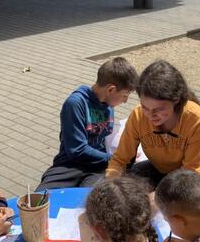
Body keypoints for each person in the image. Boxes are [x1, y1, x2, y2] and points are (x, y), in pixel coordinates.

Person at [106, 60, 200, 188]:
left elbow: (192, 174)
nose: (150, 115)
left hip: (191, 176)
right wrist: (110, 184)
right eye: (145, 107)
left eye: (158, 109)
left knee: (187, 203)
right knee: (124, 183)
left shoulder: (197, 121)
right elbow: (120, 159)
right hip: (158, 170)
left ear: (176, 101)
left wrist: (158, 198)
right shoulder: (138, 115)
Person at [37, 57, 138, 191]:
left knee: (91, 200)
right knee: (41, 199)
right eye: (125, 95)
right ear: (110, 90)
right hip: (70, 166)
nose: (125, 101)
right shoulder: (75, 103)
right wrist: (114, 158)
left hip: (97, 169)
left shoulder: (108, 104)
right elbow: (77, 150)